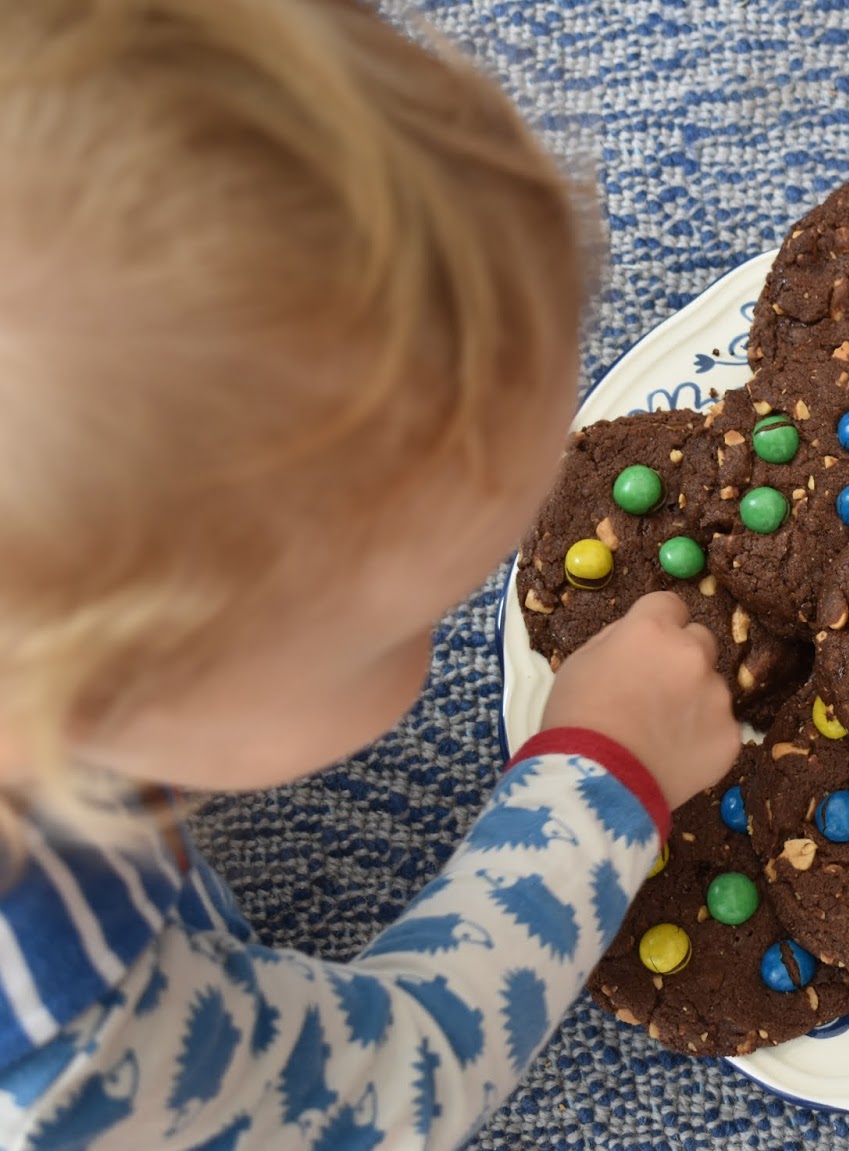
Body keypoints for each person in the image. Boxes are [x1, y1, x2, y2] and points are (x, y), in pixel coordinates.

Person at [0, 2, 741, 1147]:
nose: (452, 628)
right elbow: (381, 1089)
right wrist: (606, 775)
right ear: (91, 696)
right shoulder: (81, 1050)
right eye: (413, 616)